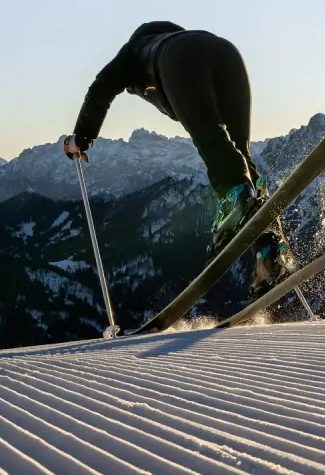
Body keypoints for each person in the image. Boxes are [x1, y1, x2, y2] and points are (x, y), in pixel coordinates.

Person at [62, 20, 295, 301]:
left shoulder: (135, 51)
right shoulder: (175, 38)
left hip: (182, 60)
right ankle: (269, 252)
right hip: (229, 55)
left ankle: (235, 198)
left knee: (209, 137)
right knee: (240, 152)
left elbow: (101, 88)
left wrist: (81, 137)